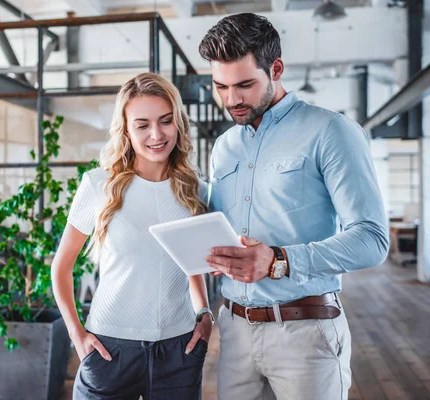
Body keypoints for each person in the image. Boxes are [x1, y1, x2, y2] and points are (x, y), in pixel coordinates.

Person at [198, 13, 389, 400]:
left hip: (306, 334)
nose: (232, 99)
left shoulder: (330, 131)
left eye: (245, 85)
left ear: (277, 69)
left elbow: (372, 239)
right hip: (234, 332)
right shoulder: (224, 147)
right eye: (221, 87)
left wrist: (278, 260)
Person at [51, 72, 213, 399]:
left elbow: (191, 263)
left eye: (166, 121)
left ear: (179, 123)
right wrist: (77, 335)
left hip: (179, 350)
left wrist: (205, 314)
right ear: (125, 129)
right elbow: (61, 268)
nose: (156, 134)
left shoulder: (196, 189)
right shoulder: (99, 185)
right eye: (142, 125)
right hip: (109, 350)